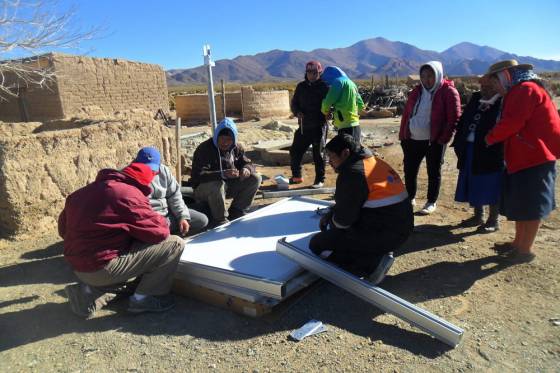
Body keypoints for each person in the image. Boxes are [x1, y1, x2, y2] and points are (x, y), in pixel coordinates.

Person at [60, 151, 185, 318]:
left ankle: (87, 294)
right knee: (174, 244)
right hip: (101, 268)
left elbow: (63, 231)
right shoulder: (128, 194)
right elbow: (160, 233)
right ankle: (144, 299)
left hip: (78, 266)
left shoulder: (81, 193)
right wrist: (160, 218)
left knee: (136, 274)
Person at [309, 134, 413, 284]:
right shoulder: (371, 162)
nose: (329, 162)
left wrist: (332, 219)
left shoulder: (352, 173)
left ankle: (371, 265)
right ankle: (375, 250)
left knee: (318, 244)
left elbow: (342, 222)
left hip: (387, 234)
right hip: (399, 228)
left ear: (345, 153)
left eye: (331, 157)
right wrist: (333, 212)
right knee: (336, 227)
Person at [484, 60, 560, 263]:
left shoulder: (523, 90)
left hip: (535, 158)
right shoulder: (521, 89)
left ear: (505, 76)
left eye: (495, 82)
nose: (496, 88)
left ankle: (524, 250)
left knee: (531, 206)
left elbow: (513, 122)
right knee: (523, 205)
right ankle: (518, 244)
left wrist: (491, 137)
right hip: (527, 157)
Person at [399, 61, 461, 215]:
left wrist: (443, 139)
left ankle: (431, 201)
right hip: (412, 139)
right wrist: (403, 135)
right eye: (423, 76)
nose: (426, 80)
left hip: (434, 141)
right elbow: (407, 114)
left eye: (430, 76)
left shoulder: (448, 92)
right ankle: (410, 197)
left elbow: (454, 118)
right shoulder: (417, 91)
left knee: (433, 171)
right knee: (410, 170)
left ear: (438, 75)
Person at [452, 75, 503, 232]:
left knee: (491, 183)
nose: (485, 89)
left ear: (498, 85)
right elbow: (464, 120)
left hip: (491, 150)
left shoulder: (503, 101)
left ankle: (493, 220)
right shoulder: (476, 98)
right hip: (470, 147)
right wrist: (458, 138)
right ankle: (478, 215)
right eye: (483, 86)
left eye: (490, 86)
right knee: (472, 181)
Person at [191, 117, 262, 226]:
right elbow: (198, 176)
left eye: (229, 140)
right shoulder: (204, 149)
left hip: (226, 187)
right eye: (222, 139)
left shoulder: (236, 148)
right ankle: (219, 220)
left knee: (255, 178)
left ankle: (236, 211)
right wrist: (222, 174)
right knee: (217, 184)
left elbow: (248, 163)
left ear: (234, 139)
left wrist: (246, 169)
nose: (225, 143)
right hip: (204, 190)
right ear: (216, 137)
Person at [135, 147, 209, 237]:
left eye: (154, 169)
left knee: (201, 220)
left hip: (170, 213)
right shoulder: (130, 178)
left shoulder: (163, 170)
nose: (151, 172)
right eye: (147, 168)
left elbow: (174, 195)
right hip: (153, 220)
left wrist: (182, 216)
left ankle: (173, 236)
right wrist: (158, 221)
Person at [289, 60, 329, 188]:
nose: (311, 75)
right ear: (306, 72)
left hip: (319, 126)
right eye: (309, 72)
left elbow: (331, 105)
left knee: (318, 154)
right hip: (304, 127)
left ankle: (319, 180)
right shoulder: (301, 86)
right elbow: (294, 103)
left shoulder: (325, 87)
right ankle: (297, 176)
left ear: (319, 72)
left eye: (314, 72)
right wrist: (297, 112)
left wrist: (330, 113)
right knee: (295, 151)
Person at [320, 66, 364, 143]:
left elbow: (328, 102)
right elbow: (361, 105)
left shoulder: (338, 82)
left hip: (344, 126)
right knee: (354, 150)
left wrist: (325, 111)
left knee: (346, 152)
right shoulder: (352, 83)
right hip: (355, 125)